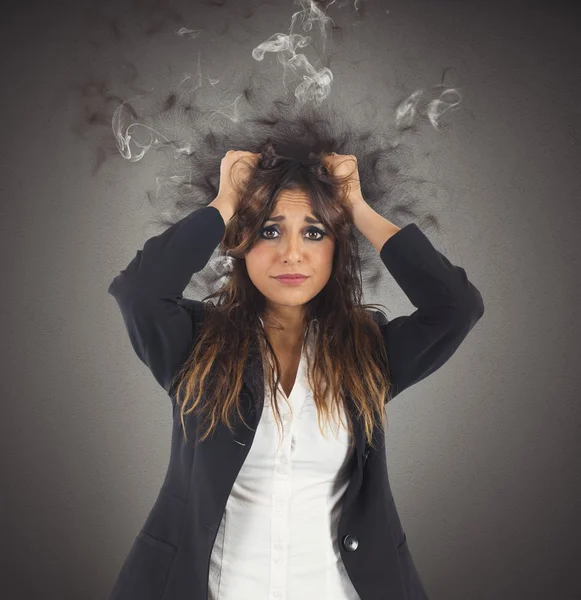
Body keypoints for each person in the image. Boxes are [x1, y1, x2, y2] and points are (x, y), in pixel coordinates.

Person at [107, 149, 484, 600]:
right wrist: (226, 202)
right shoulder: (195, 346)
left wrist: (358, 209)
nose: (291, 253)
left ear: (336, 248)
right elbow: (139, 291)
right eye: (270, 230)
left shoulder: (368, 353)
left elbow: (456, 308)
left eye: (314, 232)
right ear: (240, 242)